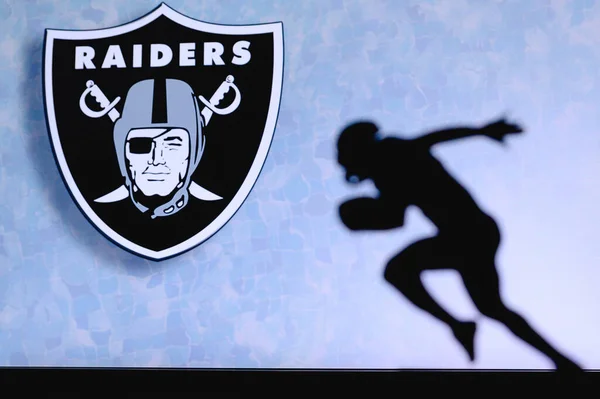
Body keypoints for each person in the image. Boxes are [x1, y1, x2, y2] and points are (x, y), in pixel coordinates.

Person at [336, 117, 582, 371]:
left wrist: (482, 131)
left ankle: (460, 326)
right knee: (492, 307)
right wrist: (482, 131)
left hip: (467, 234)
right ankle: (562, 361)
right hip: (470, 235)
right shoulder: (386, 169)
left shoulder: (391, 154)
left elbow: (434, 139)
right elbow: (396, 216)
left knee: (398, 271)